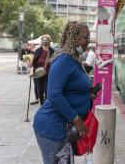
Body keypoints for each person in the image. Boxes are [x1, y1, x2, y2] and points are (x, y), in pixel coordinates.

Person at [33, 21, 91, 164]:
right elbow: (54, 95)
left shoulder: (74, 59)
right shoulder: (64, 59)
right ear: (75, 37)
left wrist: (86, 95)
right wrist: (76, 119)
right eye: (86, 37)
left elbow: (71, 88)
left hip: (64, 129)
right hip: (52, 128)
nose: (88, 42)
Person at [30, 35, 54, 105]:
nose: (45, 41)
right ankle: (42, 104)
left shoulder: (52, 51)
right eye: (43, 40)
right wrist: (31, 71)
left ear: (49, 41)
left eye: (46, 40)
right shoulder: (38, 50)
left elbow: (55, 62)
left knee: (46, 90)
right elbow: (33, 62)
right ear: (41, 41)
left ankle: (46, 105)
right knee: (39, 90)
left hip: (48, 73)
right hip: (38, 73)